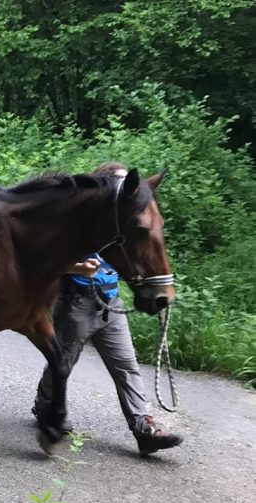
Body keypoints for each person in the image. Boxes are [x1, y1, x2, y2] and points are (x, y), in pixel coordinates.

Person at [33, 164, 183, 456]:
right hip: (76, 302)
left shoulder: (120, 225)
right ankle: (44, 406)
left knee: (126, 365)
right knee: (63, 361)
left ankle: (144, 427)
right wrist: (76, 267)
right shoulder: (76, 221)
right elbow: (45, 260)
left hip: (111, 302)